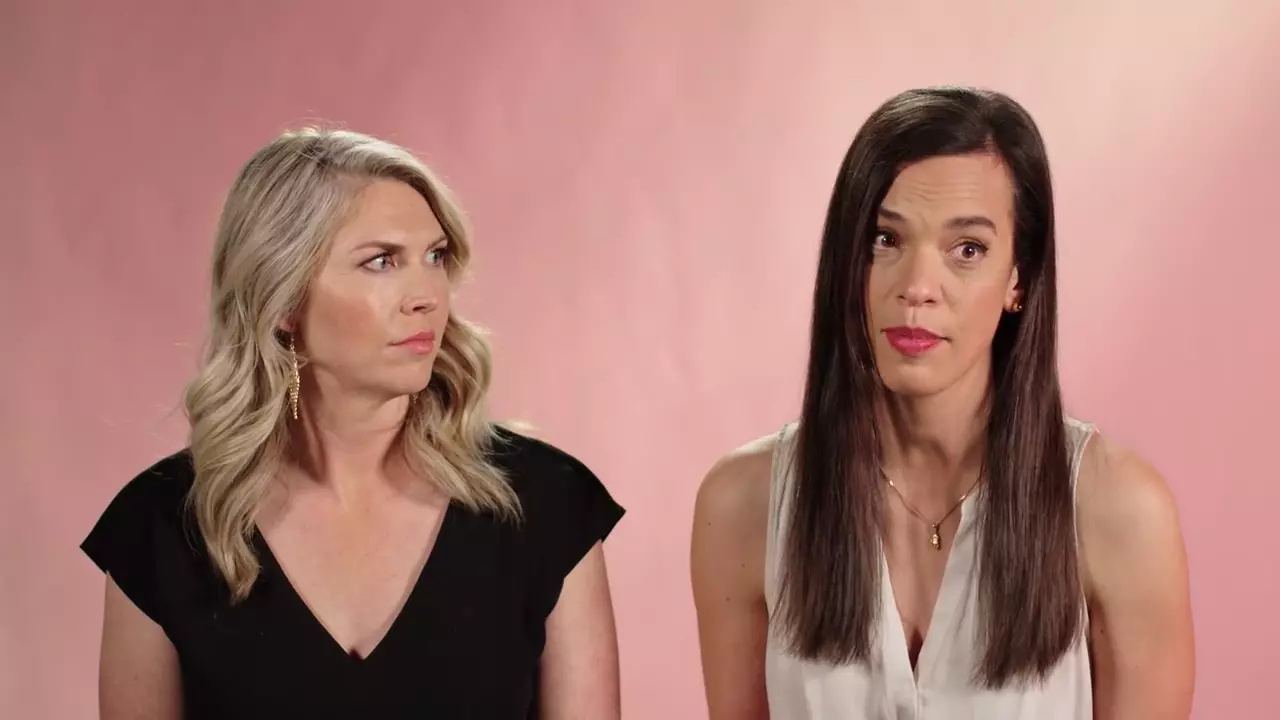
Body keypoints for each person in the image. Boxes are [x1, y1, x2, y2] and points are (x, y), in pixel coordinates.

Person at [81, 127, 625, 719]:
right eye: (381, 261)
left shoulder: (547, 504)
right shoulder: (161, 527)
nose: (426, 295)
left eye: (435, 257)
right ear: (283, 301)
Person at [690, 87, 1194, 719]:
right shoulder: (743, 505)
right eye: (884, 239)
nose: (917, 288)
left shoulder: (1117, 510)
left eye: (967, 250)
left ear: (1018, 278)